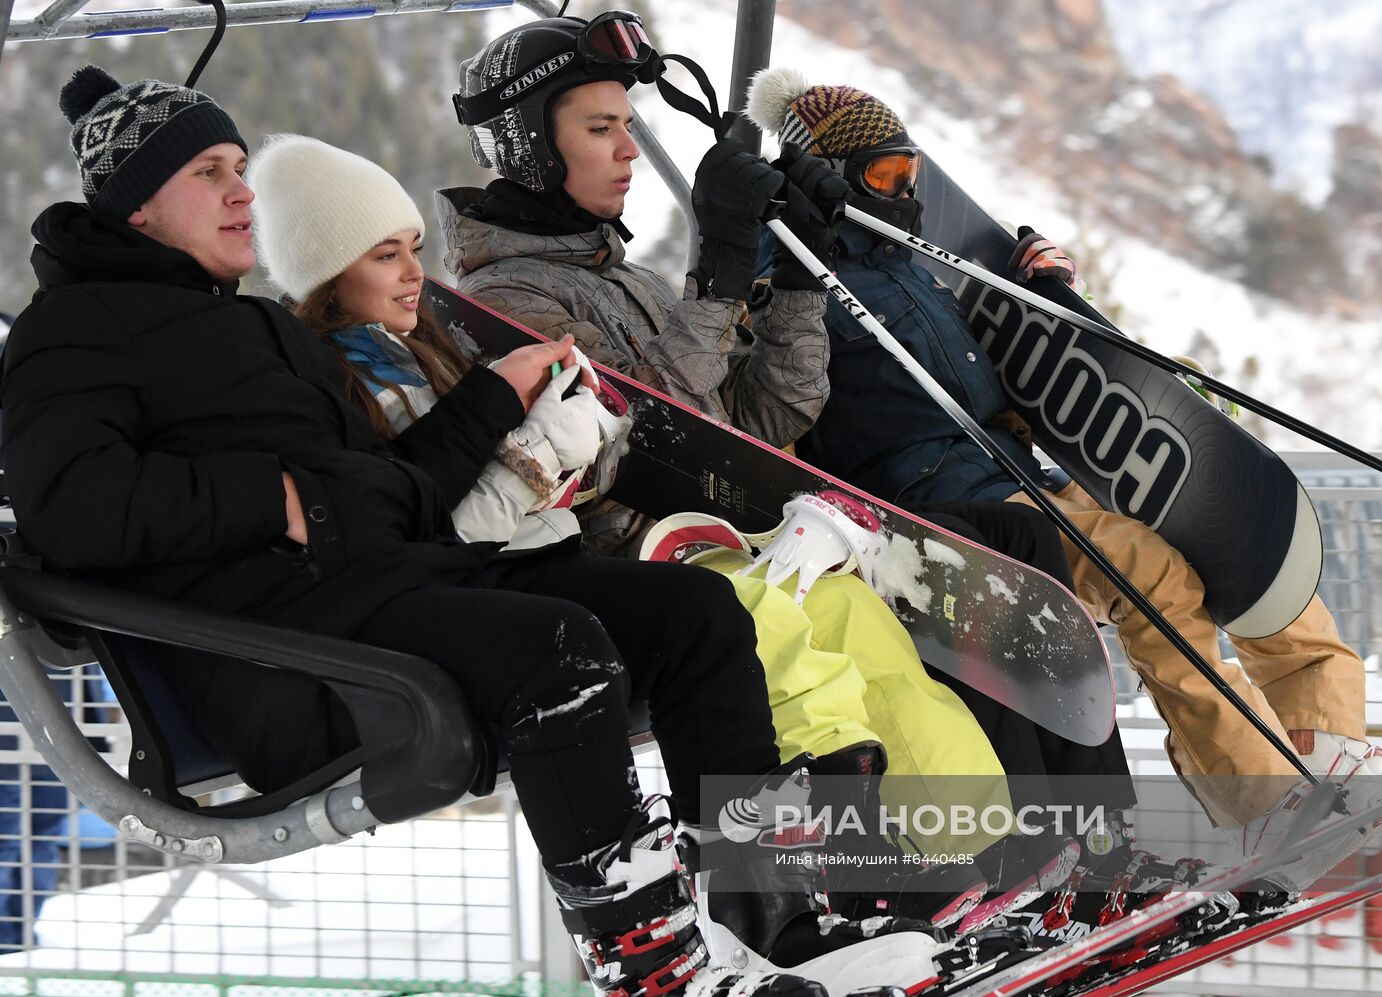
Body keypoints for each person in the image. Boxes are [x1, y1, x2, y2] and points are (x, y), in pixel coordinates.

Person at [0, 65, 855, 997]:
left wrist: (493, 397)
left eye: (240, 165)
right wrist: (273, 497)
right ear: (137, 206)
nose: (242, 189)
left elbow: (394, 493)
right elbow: (70, 507)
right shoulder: (66, 337)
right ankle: (654, 963)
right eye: (208, 171)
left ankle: (772, 918)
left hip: (394, 588)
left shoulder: (268, 334)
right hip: (284, 651)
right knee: (555, 648)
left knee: (696, 612)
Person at [437, 13, 1152, 936]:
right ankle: (918, 884)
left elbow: (765, 423)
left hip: (748, 533)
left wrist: (800, 281)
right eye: (599, 129)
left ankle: (1046, 861)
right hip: (652, 557)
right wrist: (723, 271)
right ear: (532, 151)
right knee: (869, 604)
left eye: (627, 124)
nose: (625, 150)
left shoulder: (631, 285)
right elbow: (640, 444)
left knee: (982, 574)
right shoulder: (508, 303)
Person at [744, 67, 1382, 893]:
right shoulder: (794, 282)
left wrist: (1049, 300)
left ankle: (1325, 743)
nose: (905, 190)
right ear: (827, 178)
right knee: (1150, 573)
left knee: (1234, 544)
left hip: (1017, 463)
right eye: (882, 176)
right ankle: (1264, 789)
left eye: (911, 171)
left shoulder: (909, 261)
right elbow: (780, 406)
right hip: (946, 501)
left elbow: (1001, 365)